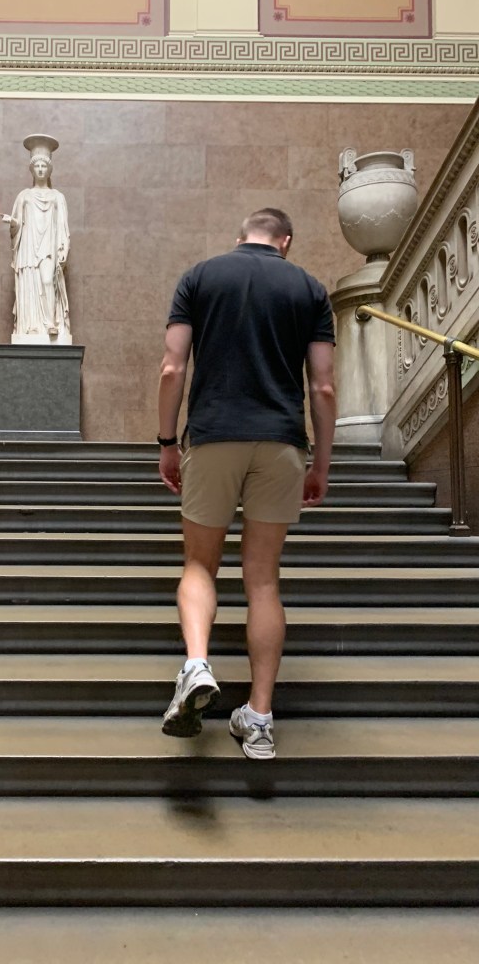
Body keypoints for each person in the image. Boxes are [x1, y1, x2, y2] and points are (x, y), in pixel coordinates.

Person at [157, 208, 336, 758]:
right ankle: (258, 720)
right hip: (281, 442)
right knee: (262, 581)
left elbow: (172, 367)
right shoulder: (309, 289)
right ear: (286, 241)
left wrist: (166, 442)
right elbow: (323, 387)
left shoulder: (200, 277)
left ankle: (196, 664)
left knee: (198, 565)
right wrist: (321, 464)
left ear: (240, 237)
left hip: (213, 436)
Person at [2, 134, 71, 343]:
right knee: (30, 283)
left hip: (48, 247)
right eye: (37, 166)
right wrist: (12, 223)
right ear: (32, 170)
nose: (40, 169)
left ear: (49, 170)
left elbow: (63, 226)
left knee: (48, 280)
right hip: (29, 246)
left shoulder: (58, 197)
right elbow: (18, 224)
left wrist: (63, 247)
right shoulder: (24, 196)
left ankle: (50, 323)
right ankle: (31, 325)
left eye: (44, 166)